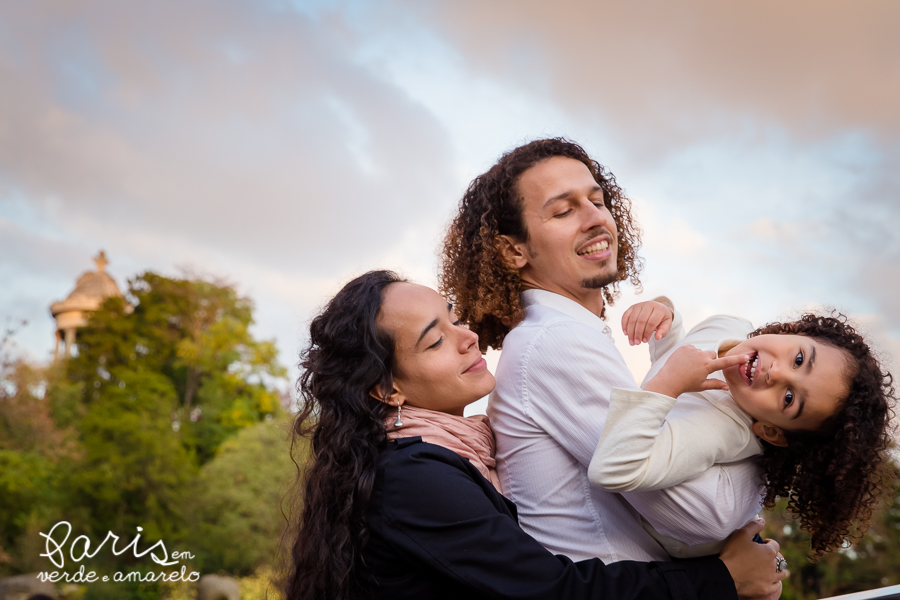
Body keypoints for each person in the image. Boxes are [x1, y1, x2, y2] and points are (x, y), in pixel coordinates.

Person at [283, 270, 785, 600]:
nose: (467, 336)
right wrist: (722, 579)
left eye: (454, 317)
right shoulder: (411, 477)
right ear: (386, 389)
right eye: (436, 339)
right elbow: (549, 592)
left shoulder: (453, 453)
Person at [439, 138, 770, 565]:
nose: (596, 219)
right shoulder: (556, 342)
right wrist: (770, 433)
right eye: (564, 210)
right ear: (512, 250)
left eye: (597, 200)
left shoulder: (568, 333)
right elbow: (702, 516)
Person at [589, 299, 895, 559]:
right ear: (797, 331)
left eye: (789, 399)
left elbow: (614, 469)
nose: (776, 372)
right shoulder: (729, 326)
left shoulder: (722, 428)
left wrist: (669, 384)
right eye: (799, 358)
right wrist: (662, 314)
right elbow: (676, 354)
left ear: (771, 431)